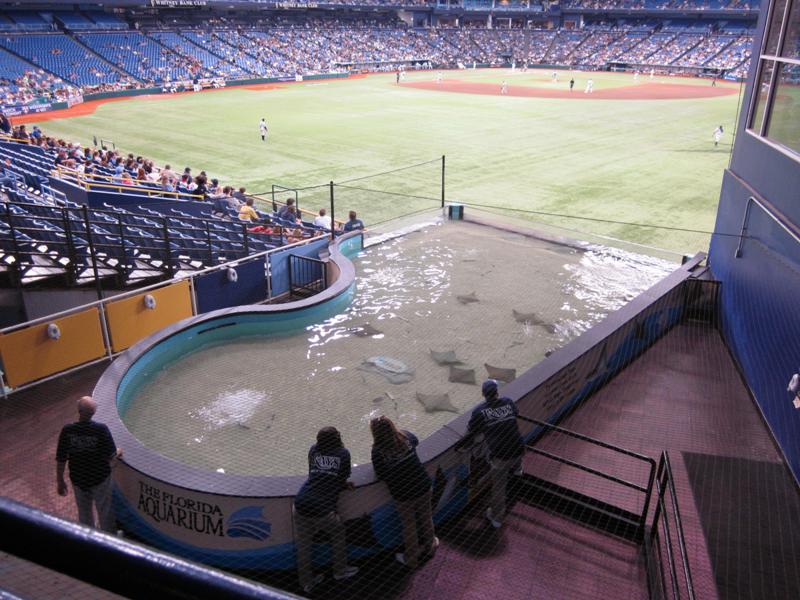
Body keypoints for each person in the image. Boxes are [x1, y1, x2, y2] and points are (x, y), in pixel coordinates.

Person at [293, 427, 359, 594]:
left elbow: (314, 474)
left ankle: (306, 583)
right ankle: (339, 571)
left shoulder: (313, 450)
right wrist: (344, 485)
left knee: (304, 545)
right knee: (338, 533)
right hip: (322, 508)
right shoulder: (343, 453)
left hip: (300, 502)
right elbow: (341, 477)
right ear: (338, 438)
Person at [370, 417, 438, 569]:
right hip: (422, 484)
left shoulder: (377, 451)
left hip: (403, 493)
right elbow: (416, 441)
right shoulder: (405, 436)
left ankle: (411, 558)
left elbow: (380, 474)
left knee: (409, 525)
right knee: (426, 517)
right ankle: (430, 545)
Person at [56, 396, 122, 533]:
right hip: (100, 478)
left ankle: (88, 539)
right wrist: (119, 451)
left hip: (79, 479)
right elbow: (111, 455)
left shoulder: (67, 431)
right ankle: (110, 540)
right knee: (105, 512)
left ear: (79, 411)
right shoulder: (101, 429)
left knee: (84, 514)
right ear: (94, 412)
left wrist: (60, 480)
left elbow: (61, 458)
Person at [467, 379, 524, 529]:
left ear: (483, 394)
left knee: (499, 487)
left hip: (501, 455)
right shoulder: (508, 402)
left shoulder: (479, 411)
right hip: (519, 448)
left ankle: (497, 518)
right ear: (497, 392)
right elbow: (516, 413)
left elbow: (472, 428)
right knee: (515, 452)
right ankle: (518, 471)